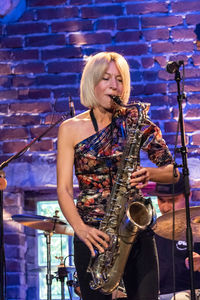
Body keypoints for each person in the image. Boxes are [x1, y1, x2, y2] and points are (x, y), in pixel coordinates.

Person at [56, 51, 179, 300]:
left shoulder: (136, 122)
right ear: (91, 82)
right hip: (93, 235)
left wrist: (151, 173)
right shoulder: (69, 129)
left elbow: (174, 172)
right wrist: (80, 229)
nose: (115, 85)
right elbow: (64, 190)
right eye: (106, 78)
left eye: (120, 79)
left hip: (135, 230)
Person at [153, 174, 200, 300]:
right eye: (161, 200)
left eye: (172, 200)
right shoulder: (152, 231)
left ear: (188, 195)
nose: (166, 207)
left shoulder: (197, 227)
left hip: (188, 292)